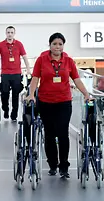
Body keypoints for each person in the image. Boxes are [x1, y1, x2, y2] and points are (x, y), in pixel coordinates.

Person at [25, 32, 91, 178]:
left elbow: (77, 80)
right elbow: (35, 78)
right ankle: (53, 164)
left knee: (62, 134)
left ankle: (64, 166)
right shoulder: (42, 59)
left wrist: (86, 93)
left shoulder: (68, 61)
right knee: (49, 135)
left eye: (60, 44)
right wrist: (31, 94)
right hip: (45, 102)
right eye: (54, 44)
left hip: (64, 102)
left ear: (63, 46)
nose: (57, 47)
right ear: (50, 45)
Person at [0, 26, 31, 121]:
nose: (10, 34)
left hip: (16, 73)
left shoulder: (19, 44)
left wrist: (28, 69)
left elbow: (25, 57)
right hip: (5, 74)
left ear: (14, 33)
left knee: (15, 95)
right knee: (5, 93)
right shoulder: (1, 45)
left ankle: (14, 114)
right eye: (8, 32)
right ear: (6, 33)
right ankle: (6, 110)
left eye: (11, 32)